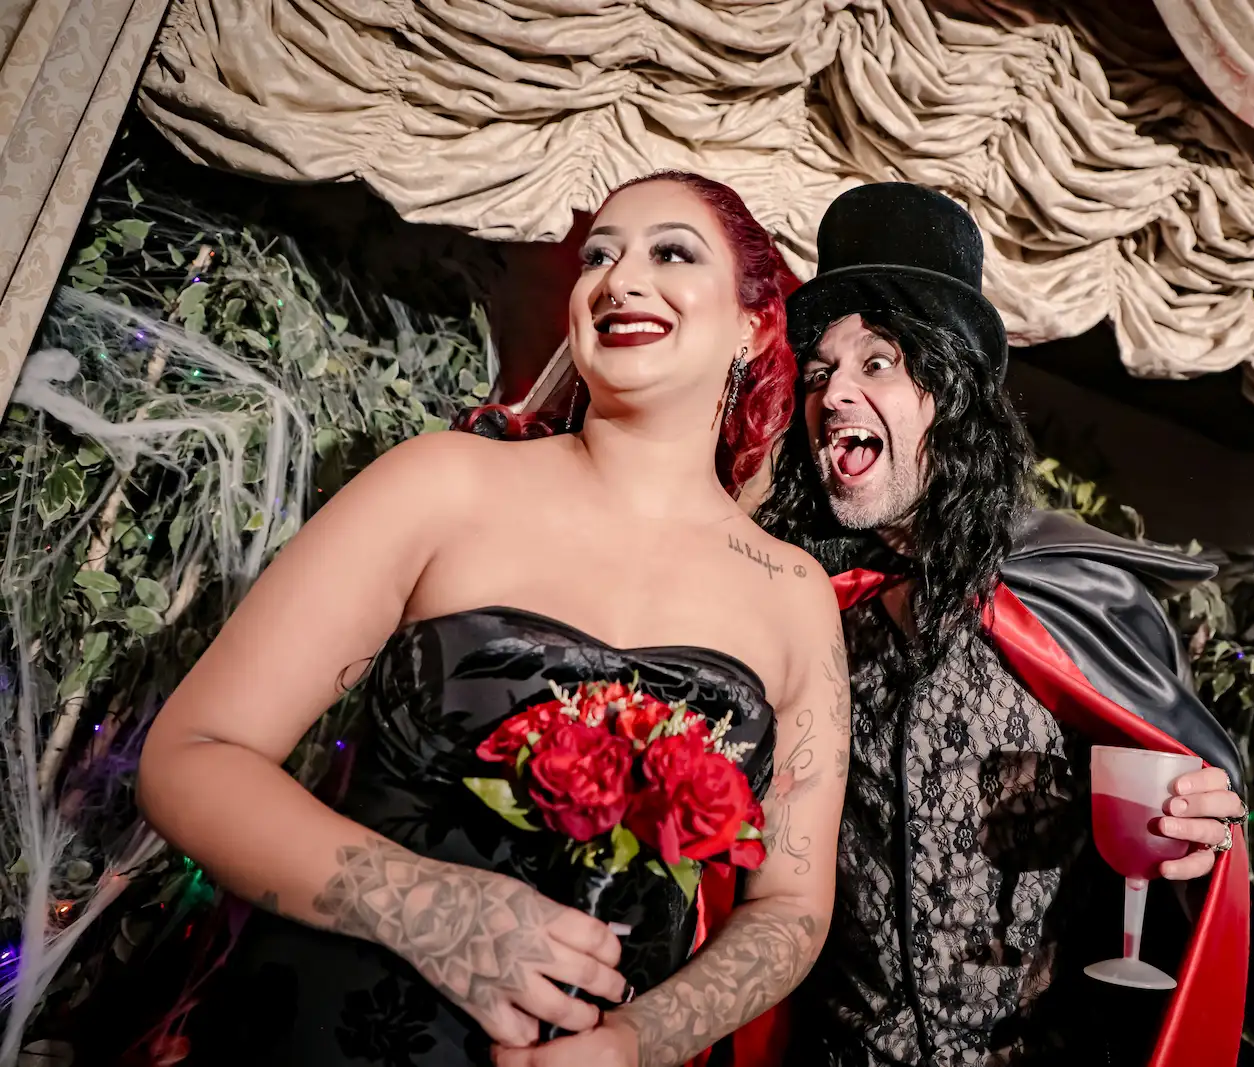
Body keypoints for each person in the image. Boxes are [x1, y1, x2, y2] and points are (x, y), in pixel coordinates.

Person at [137, 171, 850, 1067]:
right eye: (600, 255)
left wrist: (635, 1041)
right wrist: (434, 911)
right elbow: (189, 760)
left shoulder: (793, 593)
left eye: (671, 251)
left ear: (753, 322)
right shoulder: (442, 483)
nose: (620, 279)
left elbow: (790, 909)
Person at [753, 183, 1250, 1067]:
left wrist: (1205, 842)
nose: (834, 394)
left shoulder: (1071, 595)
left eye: (878, 362)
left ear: (951, 391)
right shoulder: (801, 605)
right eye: (822, 371)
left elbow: (1198, 828)